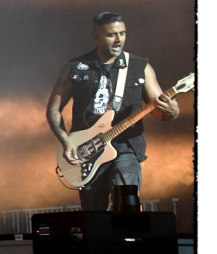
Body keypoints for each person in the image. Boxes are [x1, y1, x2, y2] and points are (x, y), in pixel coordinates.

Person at [46, 11, 179, 211]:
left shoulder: (139, 67)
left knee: (126, 206)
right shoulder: (76, 67)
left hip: (126, 148)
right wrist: (66, 142)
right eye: (111, 35)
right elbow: (53, 109)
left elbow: (161, 112)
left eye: (122, 34)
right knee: (94, 216)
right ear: (96, 35)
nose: (119, 40)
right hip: (88, 150)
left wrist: (172, 110)